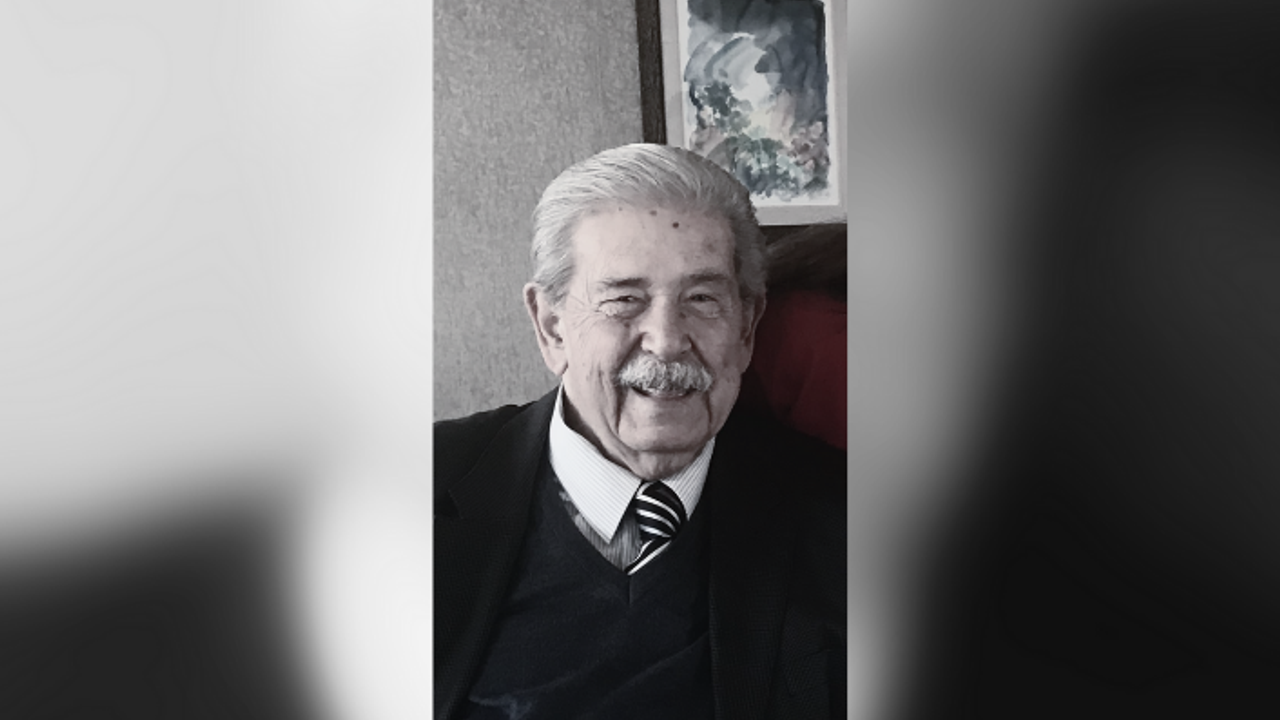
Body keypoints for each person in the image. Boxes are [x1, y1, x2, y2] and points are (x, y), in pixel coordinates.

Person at [433, 144, 846, 719]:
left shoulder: (843, 513)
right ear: (551, 327)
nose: (667, 340)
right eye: (624, 300)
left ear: (747, 328)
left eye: (702, 299)